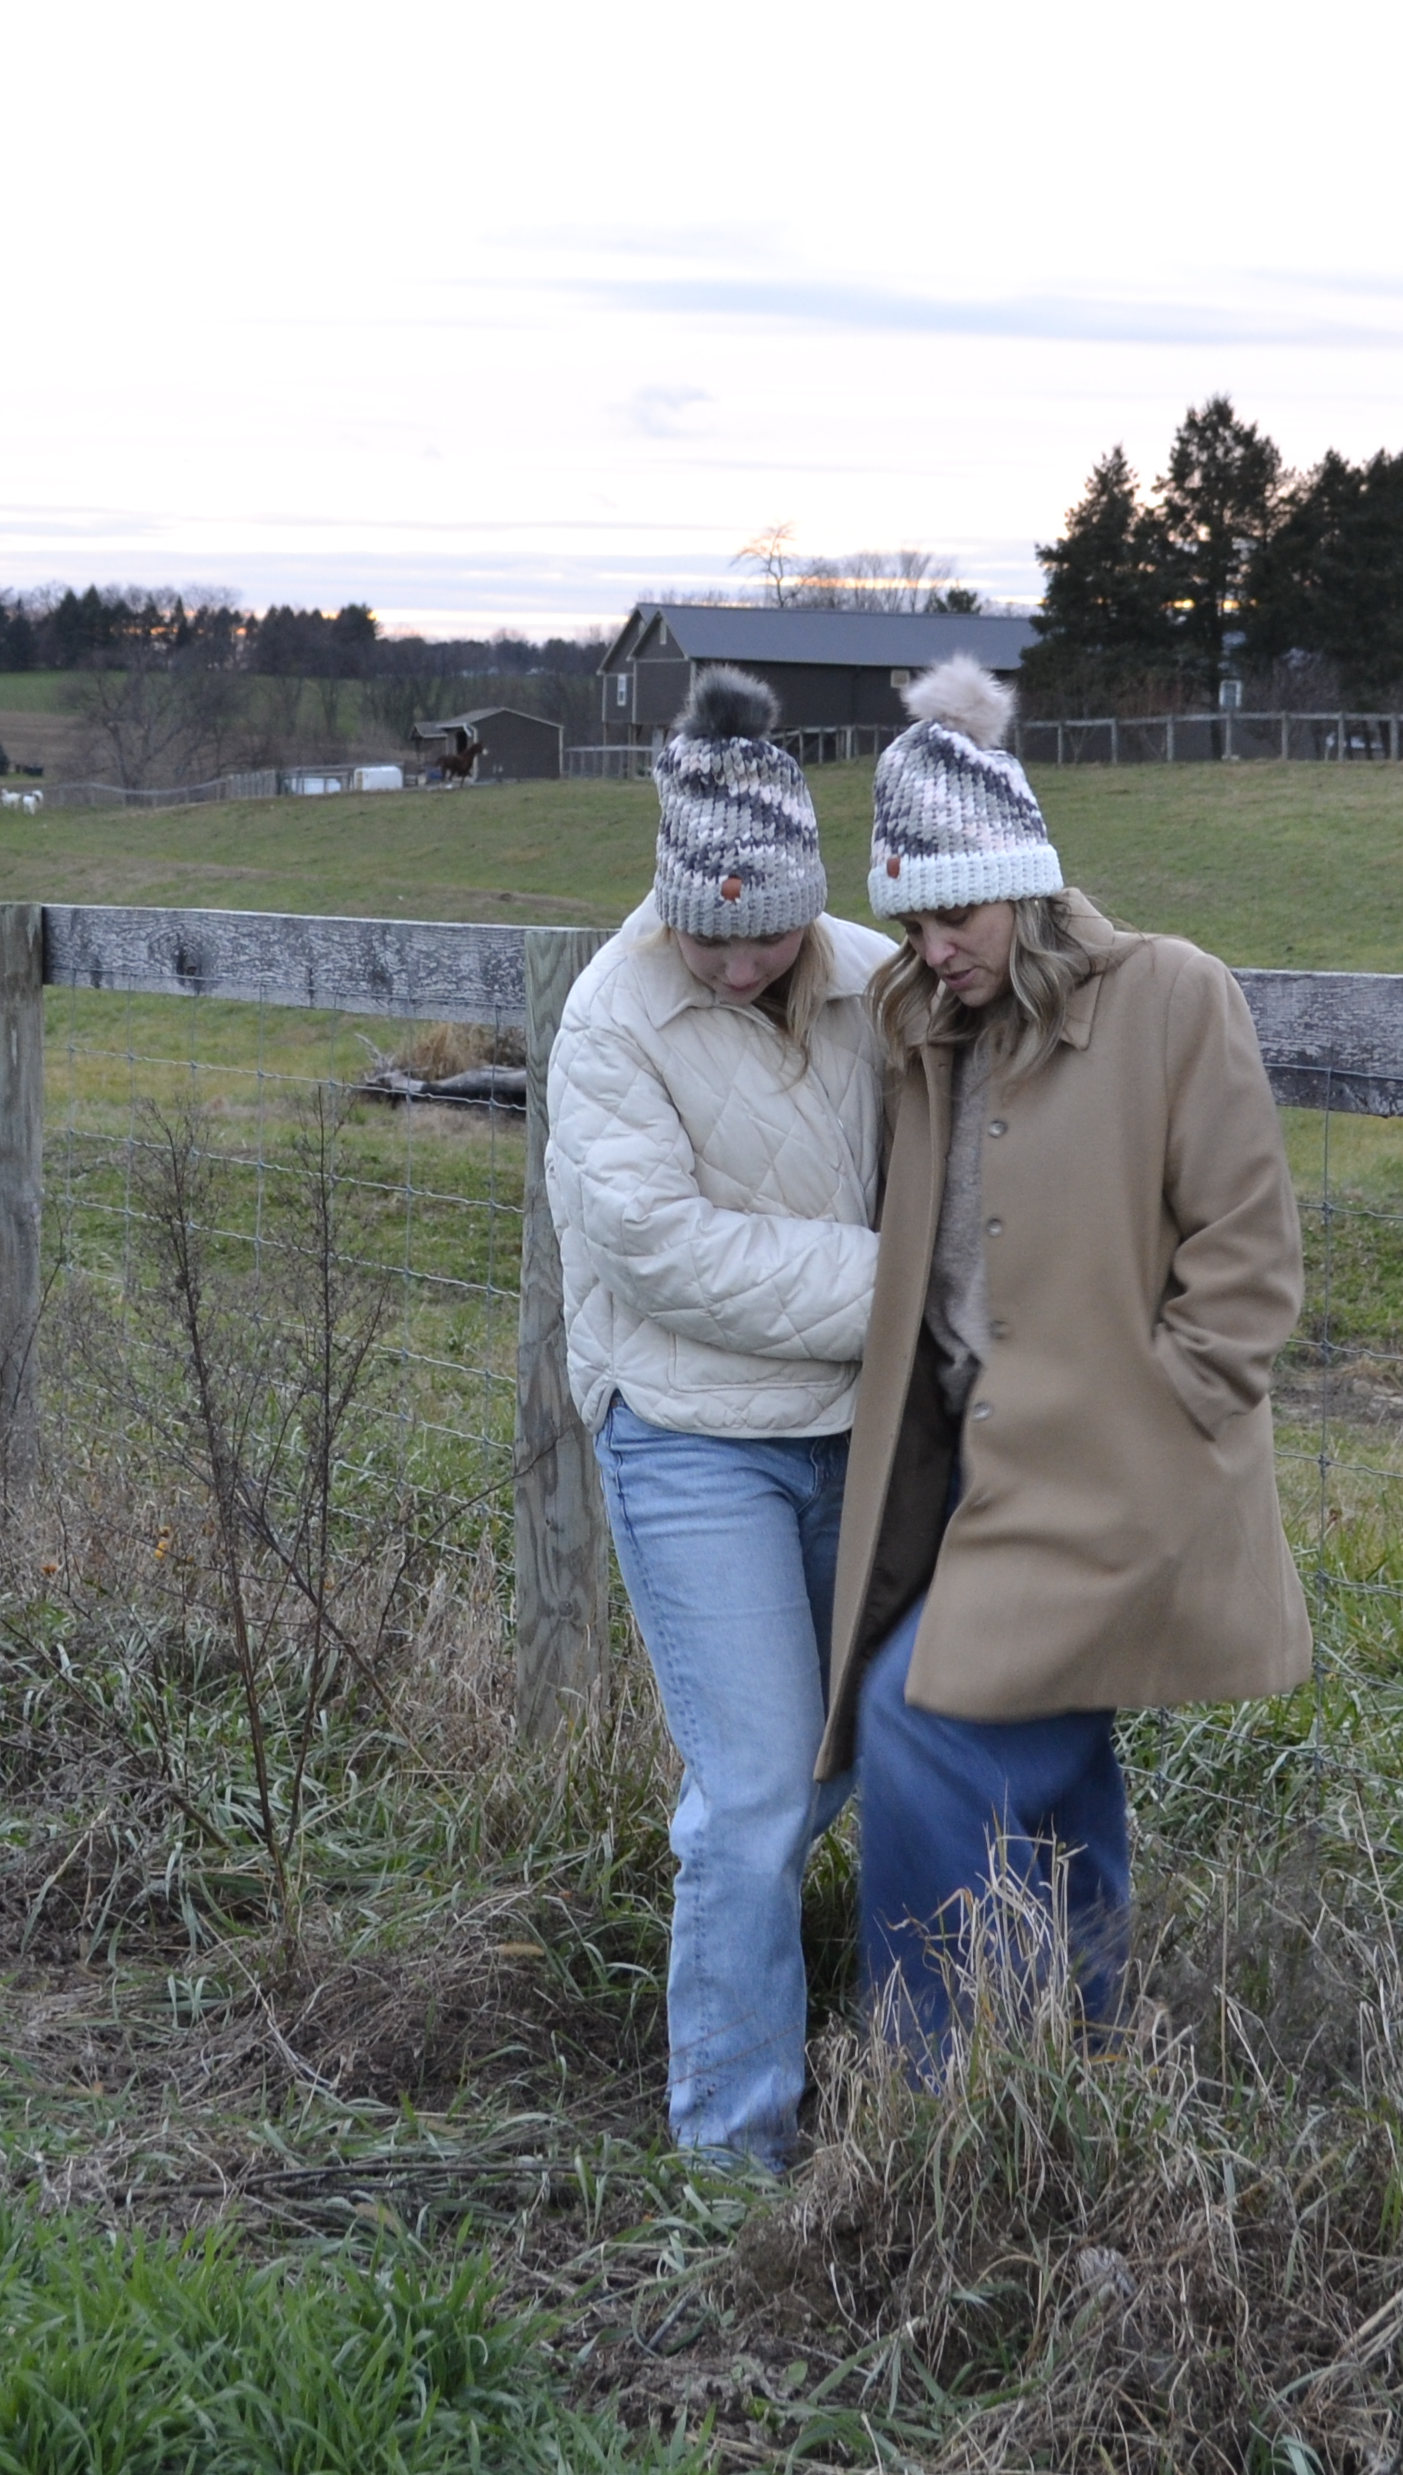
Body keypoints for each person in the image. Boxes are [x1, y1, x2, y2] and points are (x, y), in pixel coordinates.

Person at [816, 655, 1308, 2057]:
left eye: (956, 913)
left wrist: (1170, 1419)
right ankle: (1086, 2039)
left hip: (1125, 1480)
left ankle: (927, 2077)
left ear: (1025, 883)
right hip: (989, 1479)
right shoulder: (924, 1030)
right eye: (908, 922)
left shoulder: (1171, 997)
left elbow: (1249, 1256)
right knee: (1056, 1752)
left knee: (919, 1715)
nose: (934, 947)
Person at [545, 666, 899, 2166]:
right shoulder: (610, 1022)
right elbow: (664, 1255)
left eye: (766, 935)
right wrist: (914, 1292)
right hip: (690, 1436)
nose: (737, 965)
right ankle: (732, 2153)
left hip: (870, 1444)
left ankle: (898, 2082)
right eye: (709, 932)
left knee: (861, 1758)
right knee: (755, 1789)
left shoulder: (879, 985)